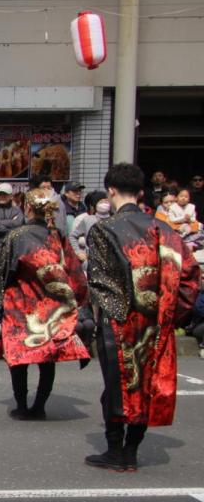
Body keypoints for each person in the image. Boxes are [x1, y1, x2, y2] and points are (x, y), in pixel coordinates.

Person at [84, 163, 200, 472]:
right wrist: (172, 316)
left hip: (118, 321)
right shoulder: (165, 228)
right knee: (146, 384)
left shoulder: (103, 229)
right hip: (156, 321)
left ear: (110, 191)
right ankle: (131, 452)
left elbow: (100, 284)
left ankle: (113, 450)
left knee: (116, 385)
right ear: (140, 192)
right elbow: (189, 275)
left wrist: (106, 320)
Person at [0, 189, 90, 420]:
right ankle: (40, 405)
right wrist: (79, 304)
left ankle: (22, 406)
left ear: (27, 207)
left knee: (19, 357)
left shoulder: (17, 236)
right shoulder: (59, 236)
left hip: (21, 304)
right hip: (52, 305)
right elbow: (75, 273)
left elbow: (4, 273)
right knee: (47, 357)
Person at [0, 183, 24, 283]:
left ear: (11, 196)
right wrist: (10, 226)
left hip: (12, 249)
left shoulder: (17, 210)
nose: (2, 197)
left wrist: (1, 223)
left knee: (11, 278)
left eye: (5, 194)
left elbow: (19, 225)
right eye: (0, 194)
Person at [69, 191, 110, 263]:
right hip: (92, 262)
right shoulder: (87, 220)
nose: (104, 204)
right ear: (94, 206)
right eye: (101, 202)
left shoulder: (115, 219)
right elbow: (72, 236)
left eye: (106, 201)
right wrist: (78, 252)